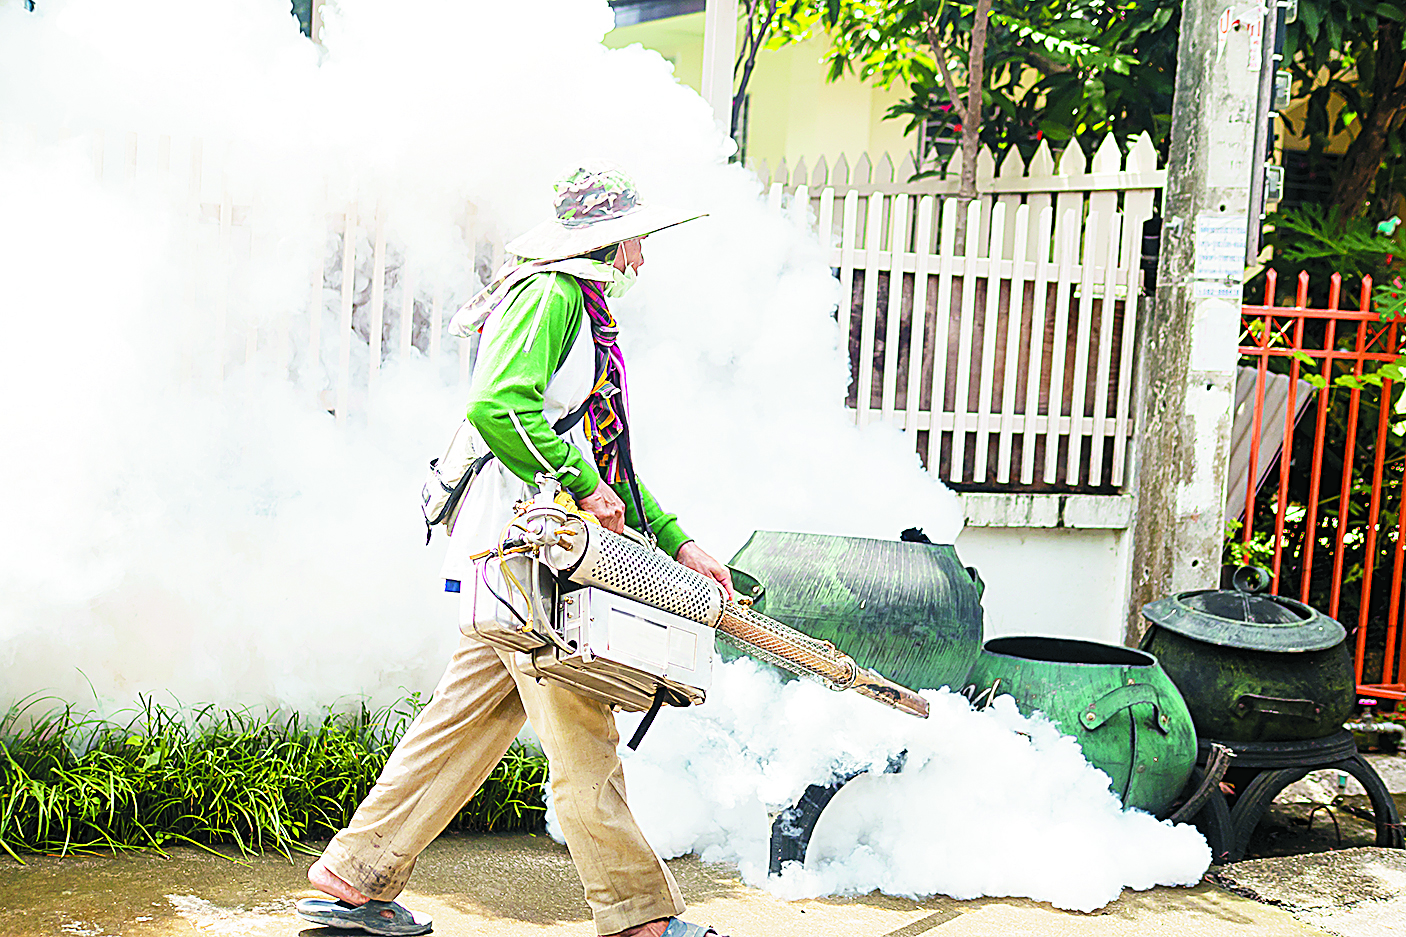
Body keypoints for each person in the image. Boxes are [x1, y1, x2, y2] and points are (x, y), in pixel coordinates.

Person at [295, 165, 734, 937]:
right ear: (604, 240)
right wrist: (578, 483)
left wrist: (674, 538)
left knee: (468, 715)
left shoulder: (573, 302)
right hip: (529, 552)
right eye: (634, 241)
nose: (640, 259)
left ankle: (354, 873)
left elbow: (605, 453)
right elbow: (499, 407)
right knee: (581, 723)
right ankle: (638, 918)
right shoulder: (555, 296)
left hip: (517, 551)